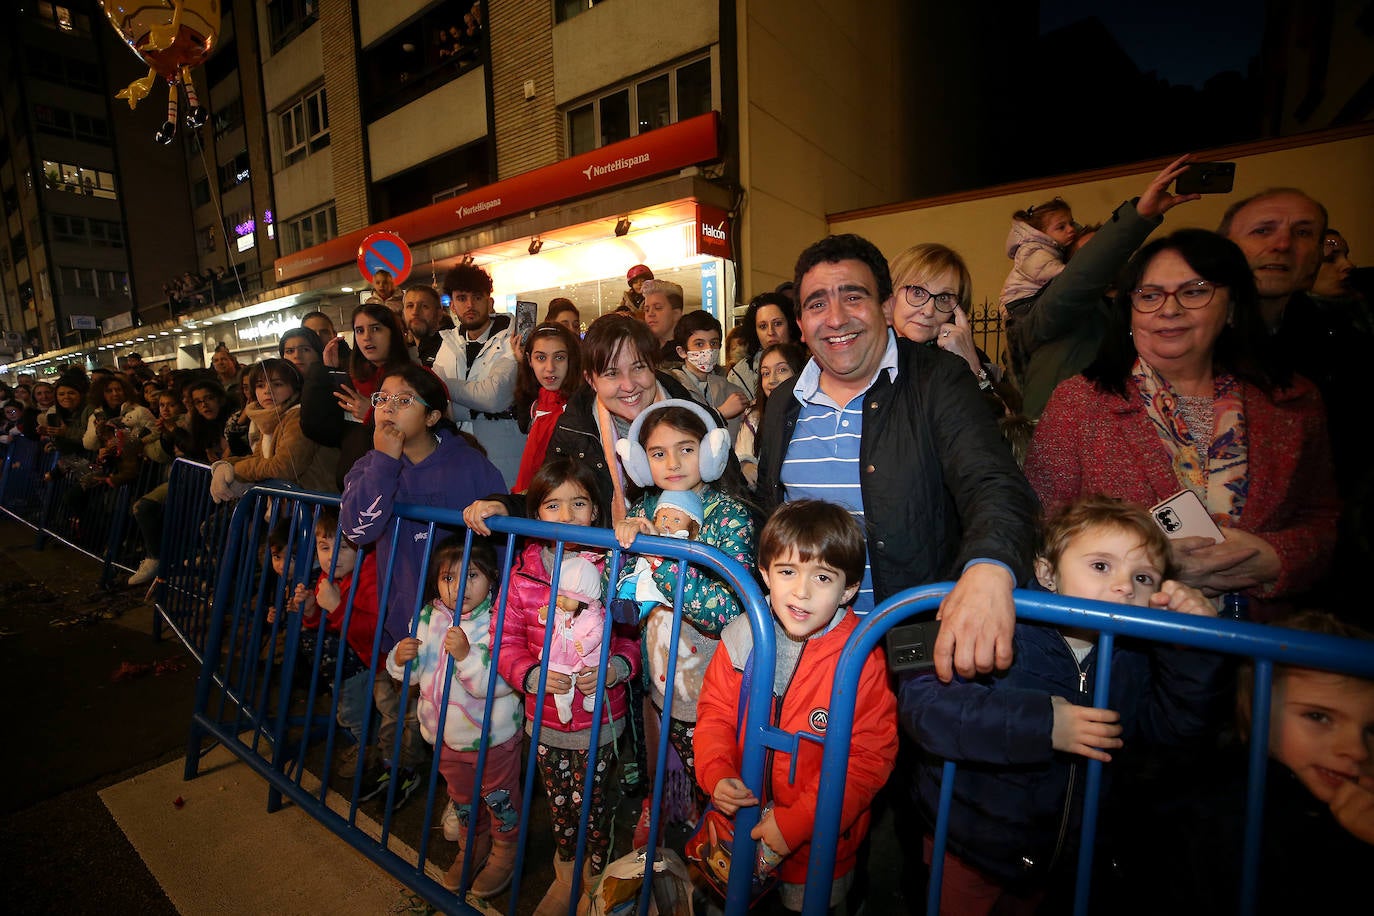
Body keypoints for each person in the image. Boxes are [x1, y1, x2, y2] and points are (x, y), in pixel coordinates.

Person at [898, 494, 1227, 913]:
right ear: (1047, 574)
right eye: (1101, 566)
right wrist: (1043, 725)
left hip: (1067, 862)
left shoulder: (1142, 657)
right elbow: (927, 707)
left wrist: (1193, 652)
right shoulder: (1004, 624)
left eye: (1144, 578)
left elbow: (1175, 736)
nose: (1125, 586)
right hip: (968, 848)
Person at [755, 233, 1038, 681]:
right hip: (810, 655)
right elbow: (767, 512)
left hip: (913, 653)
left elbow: (994, 484)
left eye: (853, 296)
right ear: (800, 322)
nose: (836, 318)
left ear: (886, 307)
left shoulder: (939, 381)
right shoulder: (783, 403)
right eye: (817, 304)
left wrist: (990, 567)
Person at [1024, 229, 1340, 621]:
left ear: (1231, 307)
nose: (1168, 310)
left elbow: (1325, 523)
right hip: (1132, 647)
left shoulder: (1292, 403)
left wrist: (1276, 559)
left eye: (1194, 291)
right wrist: (1142, 560)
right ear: (1129, 312)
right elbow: (1039, 522)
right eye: (1150, 295)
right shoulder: (1081, 402)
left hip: (1265, 648)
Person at [694, 499, 898, 913]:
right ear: (766, 574)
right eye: (788, 572)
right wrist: (716, 773)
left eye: (823, 577)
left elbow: (868, 759)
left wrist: (798, 822)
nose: (801, 592)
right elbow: (714, 711)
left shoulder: (860, 660)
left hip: (817, 845)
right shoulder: (742, 636)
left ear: (850, 589)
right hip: (740, 827)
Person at [341, 364, 507, 813]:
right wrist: (384, 461)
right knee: (409, 704)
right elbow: (358, 529)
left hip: (464, 625)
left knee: (463, 707)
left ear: (433, 417)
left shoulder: (467, 464)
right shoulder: (369, 465)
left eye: (403, 399)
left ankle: (472, 796)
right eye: (382, 399)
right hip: (404, 620)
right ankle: (410, 769)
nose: (388, 407)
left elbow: (501, 538)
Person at [1136, 610, 1374, 914]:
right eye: (1318, 717)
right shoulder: (1217, 810)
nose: (1357, 750)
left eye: (1372, 730)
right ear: (1252, 706)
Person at [493, 458, 638, 914]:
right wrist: (531, 677)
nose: (568, 515)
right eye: (552, 505)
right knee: (558, 803)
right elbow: (505, 641)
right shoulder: (523, 573)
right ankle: (565, 870)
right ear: (536, 515)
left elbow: (633, 637)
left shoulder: (617, 567)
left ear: (596, 510)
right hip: (546, 716)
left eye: (579, 503)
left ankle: (592, 876)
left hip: (601, 716)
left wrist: (615, 667)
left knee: (593, 803)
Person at [610, 399, 756, 844]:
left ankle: (718, 845)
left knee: (717, 774)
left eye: (686, 449)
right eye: (657, 453)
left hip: (715, 686)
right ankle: (680, 811)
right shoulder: (644, 511)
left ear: (711, 452)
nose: (672, 463)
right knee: (672, 753)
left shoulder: (731, 515)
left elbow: (728, 608)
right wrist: (623, 560)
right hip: (661, 679)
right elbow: (621, 604)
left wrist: (659, 560)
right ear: (640, 462)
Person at [462, 314, 733, 531]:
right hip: (610, 571)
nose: (628, 386)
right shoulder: (575, 427)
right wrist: (505, 506)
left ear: (654, 367)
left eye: (639, 367)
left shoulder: (697, 420)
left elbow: (739, 500)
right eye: (612, 373)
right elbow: (551, 494)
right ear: (591, 380)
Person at [1009, 156, 1201, 418]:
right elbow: (1082, 276)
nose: (1104, 258)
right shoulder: (1054, 310)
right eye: (1093, 252)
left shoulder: (1140, 311)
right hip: (1066, 437)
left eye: (1105, 249)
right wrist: (1138, 217)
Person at [386, 535, 522, 897]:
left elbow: (506, 677)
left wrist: (466, 656)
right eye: (448, 578)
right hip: (443, 735)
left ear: (492, 577)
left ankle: (506, 851)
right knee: (462, 797)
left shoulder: (500, 619)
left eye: (471, 576)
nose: (459, 587)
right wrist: (401, 659)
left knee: (500, 798)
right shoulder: (429, 616)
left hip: (491, 737)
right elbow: (415, 673)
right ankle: (472, 845)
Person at [1220, 190, 1372, 496]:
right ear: (1223, 250)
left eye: (1303, 233)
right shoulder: (1179, 336)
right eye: (1262, 231)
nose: (1282, 244)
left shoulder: (1345, 339)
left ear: (1315, 256)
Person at [276, 508, 383, 789]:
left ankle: (377, 758)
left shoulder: (370, 573)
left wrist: (336, 606)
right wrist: (312, 608)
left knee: (385, 717)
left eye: (344, 547)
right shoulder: (328, 576)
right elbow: (326, 624)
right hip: (356, 657)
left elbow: (376, 631)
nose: (332, 556)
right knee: (353, 709)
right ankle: (370, 746)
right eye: (324, 547)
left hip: (382, 661)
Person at [884, 242, 1021, 418]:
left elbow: (1004, 419)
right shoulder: (866, 354)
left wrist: (973, 365)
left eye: (943, 298)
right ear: (891, 294)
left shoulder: (963, 355)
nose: (928, 311)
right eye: (917, 292)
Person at [432, 262, 525, 488]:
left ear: (490, 302)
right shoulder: (448, 341)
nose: (470, 305)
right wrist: (475, 398)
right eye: (462, 298)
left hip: (506, 456)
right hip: (458, 454)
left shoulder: (513, 338)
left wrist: (444, 387)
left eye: (477, 297)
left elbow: (494, 397)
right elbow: (434, 399)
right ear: (452, 306)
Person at [303, 303, 415, 489]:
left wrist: (371, 414)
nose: (367, 337)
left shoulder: (413, 378)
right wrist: (323, 371)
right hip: (353, 488)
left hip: (396, 487)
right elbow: (317, 428)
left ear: (393, 333)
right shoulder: (350, 378)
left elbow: (420, 433)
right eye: (359, 330)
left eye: (376, 329)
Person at [208, 359, 341, 500]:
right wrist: (227, 464)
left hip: (318, 507)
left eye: (277, 384)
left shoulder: (298, 416)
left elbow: (284, 467)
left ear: (294, 387)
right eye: (260, 385)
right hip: (294, 504)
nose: (267, 391)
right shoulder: (269, 419)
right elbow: (258, 458)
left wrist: (235, 470)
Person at [512, 322, 583, 493]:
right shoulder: (536, 403)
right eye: (541, 358)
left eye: (559, 357)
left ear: (571, 359)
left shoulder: (581, 407)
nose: (550, 368)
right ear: (529, 360)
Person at [536, 555, 607, 724]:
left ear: (584, 601)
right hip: (562, 651)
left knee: (587, 675)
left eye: (566, 598)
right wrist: (545, 617)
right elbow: (552, 622)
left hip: (581, 653)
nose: (560, 601)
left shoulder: (591, 617)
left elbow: (598, 634)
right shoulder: (561, 612)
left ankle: (592, 696)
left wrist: (586, 644)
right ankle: (563, 704)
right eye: (559, 596)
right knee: (561, 679)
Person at [669, 309, 751, 439]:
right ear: (682, 351)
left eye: (713, 343)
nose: (708, 349)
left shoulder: (733, 391)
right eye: (699, 344)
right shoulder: (669, 389)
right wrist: (720, 413)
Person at [735, 342, 806, 488]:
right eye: (766, 373)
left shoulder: (812, 414)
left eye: (781, 370)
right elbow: (741, 454)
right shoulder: (755, 416)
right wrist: (745, 465)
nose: (772, 380)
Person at [998, 197, 1078, 319]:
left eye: (1071, 223)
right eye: (1061, 227)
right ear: (1041, 233)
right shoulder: (1032, 250)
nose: (1071, 229)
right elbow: (1051, 271)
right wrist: (1078, 272)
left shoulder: (1050, 250)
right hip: (1018, 304)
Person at [730, 291, 803, 400]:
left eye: (777, 323)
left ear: (791, 325)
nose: (770, 332)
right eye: (763, 326)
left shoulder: (813, 363)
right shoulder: (739, 375)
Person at [402, 282, 453, 368]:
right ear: (403, 313)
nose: (415, 312)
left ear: (439, 314)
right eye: (410, 306)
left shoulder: (451, 348)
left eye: (424, 306)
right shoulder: (401, 353)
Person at [640, 278, 685, 367]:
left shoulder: (689, 354)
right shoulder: (640, 349)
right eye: (647, 310)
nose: (650, 314)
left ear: (676, 314)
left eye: (658, 308)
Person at [210, 344, 246, 410]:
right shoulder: (213, 384)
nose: (220, 363)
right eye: (216, 361)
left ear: (233, 361)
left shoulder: (243, 379)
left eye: (223, 359)